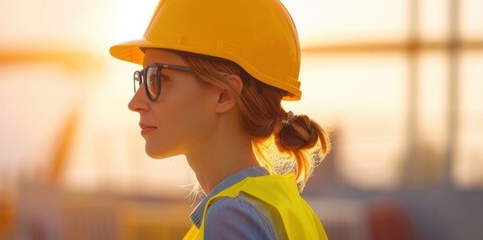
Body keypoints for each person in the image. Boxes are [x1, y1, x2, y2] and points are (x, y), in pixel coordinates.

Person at [109, 0, 331, 239]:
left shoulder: (231, 217)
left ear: (224, 94)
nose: (135, 103)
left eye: (157, 78)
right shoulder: (288, 208)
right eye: (141, 78)